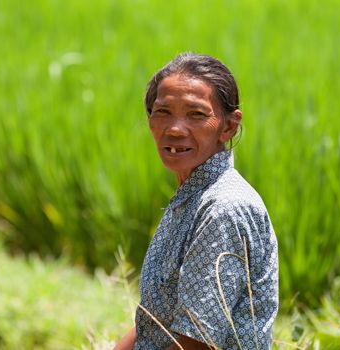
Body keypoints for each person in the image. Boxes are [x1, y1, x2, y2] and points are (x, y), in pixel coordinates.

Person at [114, 53, 278, 349]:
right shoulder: (192, 195)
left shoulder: (222, 209)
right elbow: (153, 323)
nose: (175, 129)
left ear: (228, 127)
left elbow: (196, 343)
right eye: (162, 112)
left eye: (196, 114)